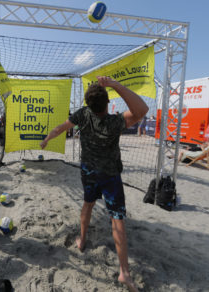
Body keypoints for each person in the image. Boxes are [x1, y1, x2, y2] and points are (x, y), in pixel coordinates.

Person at [40, 76, 148, 292]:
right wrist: (116, 84)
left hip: (88, 171)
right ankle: (124, 272)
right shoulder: (115, 122)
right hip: (110, 175)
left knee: (88, 204)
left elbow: (61, 128)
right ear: (107, 103)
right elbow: (142, 109)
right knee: (117, 219)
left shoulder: (83, 114)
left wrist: (47, 138)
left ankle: (82, 239)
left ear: (88, 104)